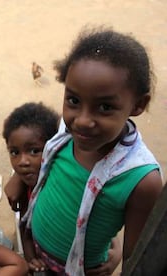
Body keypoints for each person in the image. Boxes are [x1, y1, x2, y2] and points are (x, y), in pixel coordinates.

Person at [22, 27, 163, 275]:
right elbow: (46, 162)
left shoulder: (141, 179)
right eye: (74, 100)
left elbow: (135, 255)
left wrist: (117, 254)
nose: (83, 120)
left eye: (105, 107)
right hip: (35, 252)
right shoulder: (66, 131)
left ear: (138, 105)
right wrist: (16, 180)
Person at [3, 102, 122, 275]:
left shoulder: (66, 181)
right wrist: (30, 257)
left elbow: (100, 219)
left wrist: (117, 252)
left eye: (35, 151)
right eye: (14, 152)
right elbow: (24, 223)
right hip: (47, 260)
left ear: (54, 147)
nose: (23, 162)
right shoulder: (25, 189)